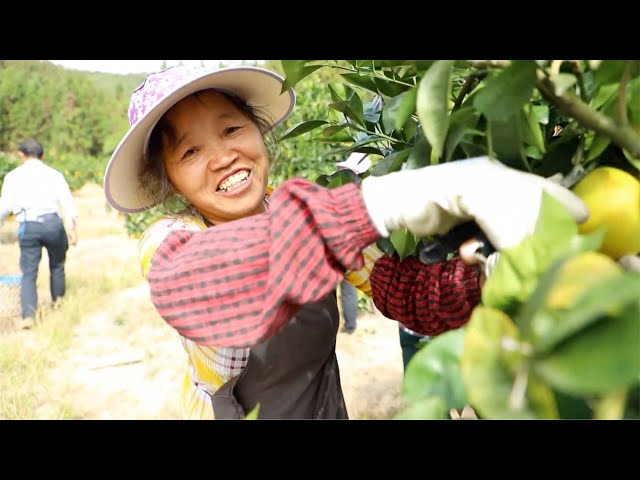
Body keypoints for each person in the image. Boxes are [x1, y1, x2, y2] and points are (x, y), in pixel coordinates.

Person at [103, 65, 588, 420]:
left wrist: (496, 272)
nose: (223, 156)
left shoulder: (300, 209)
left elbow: (404, 292)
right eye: (190, 151)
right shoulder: (171, 240)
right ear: (167, 178)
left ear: (258, 132)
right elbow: (203, 281)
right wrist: (377, 204)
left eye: (232, 129)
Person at [0, 138, 78, 329]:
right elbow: (67, 204)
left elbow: (5, 206)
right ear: (42, 155)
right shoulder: (55, 175)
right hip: (53, 223)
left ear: (21, 155)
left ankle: (28, 315)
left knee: (28, 273)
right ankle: (58, 302)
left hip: (29, 225)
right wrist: (72, 228)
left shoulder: (13, 177)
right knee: (57, 265)